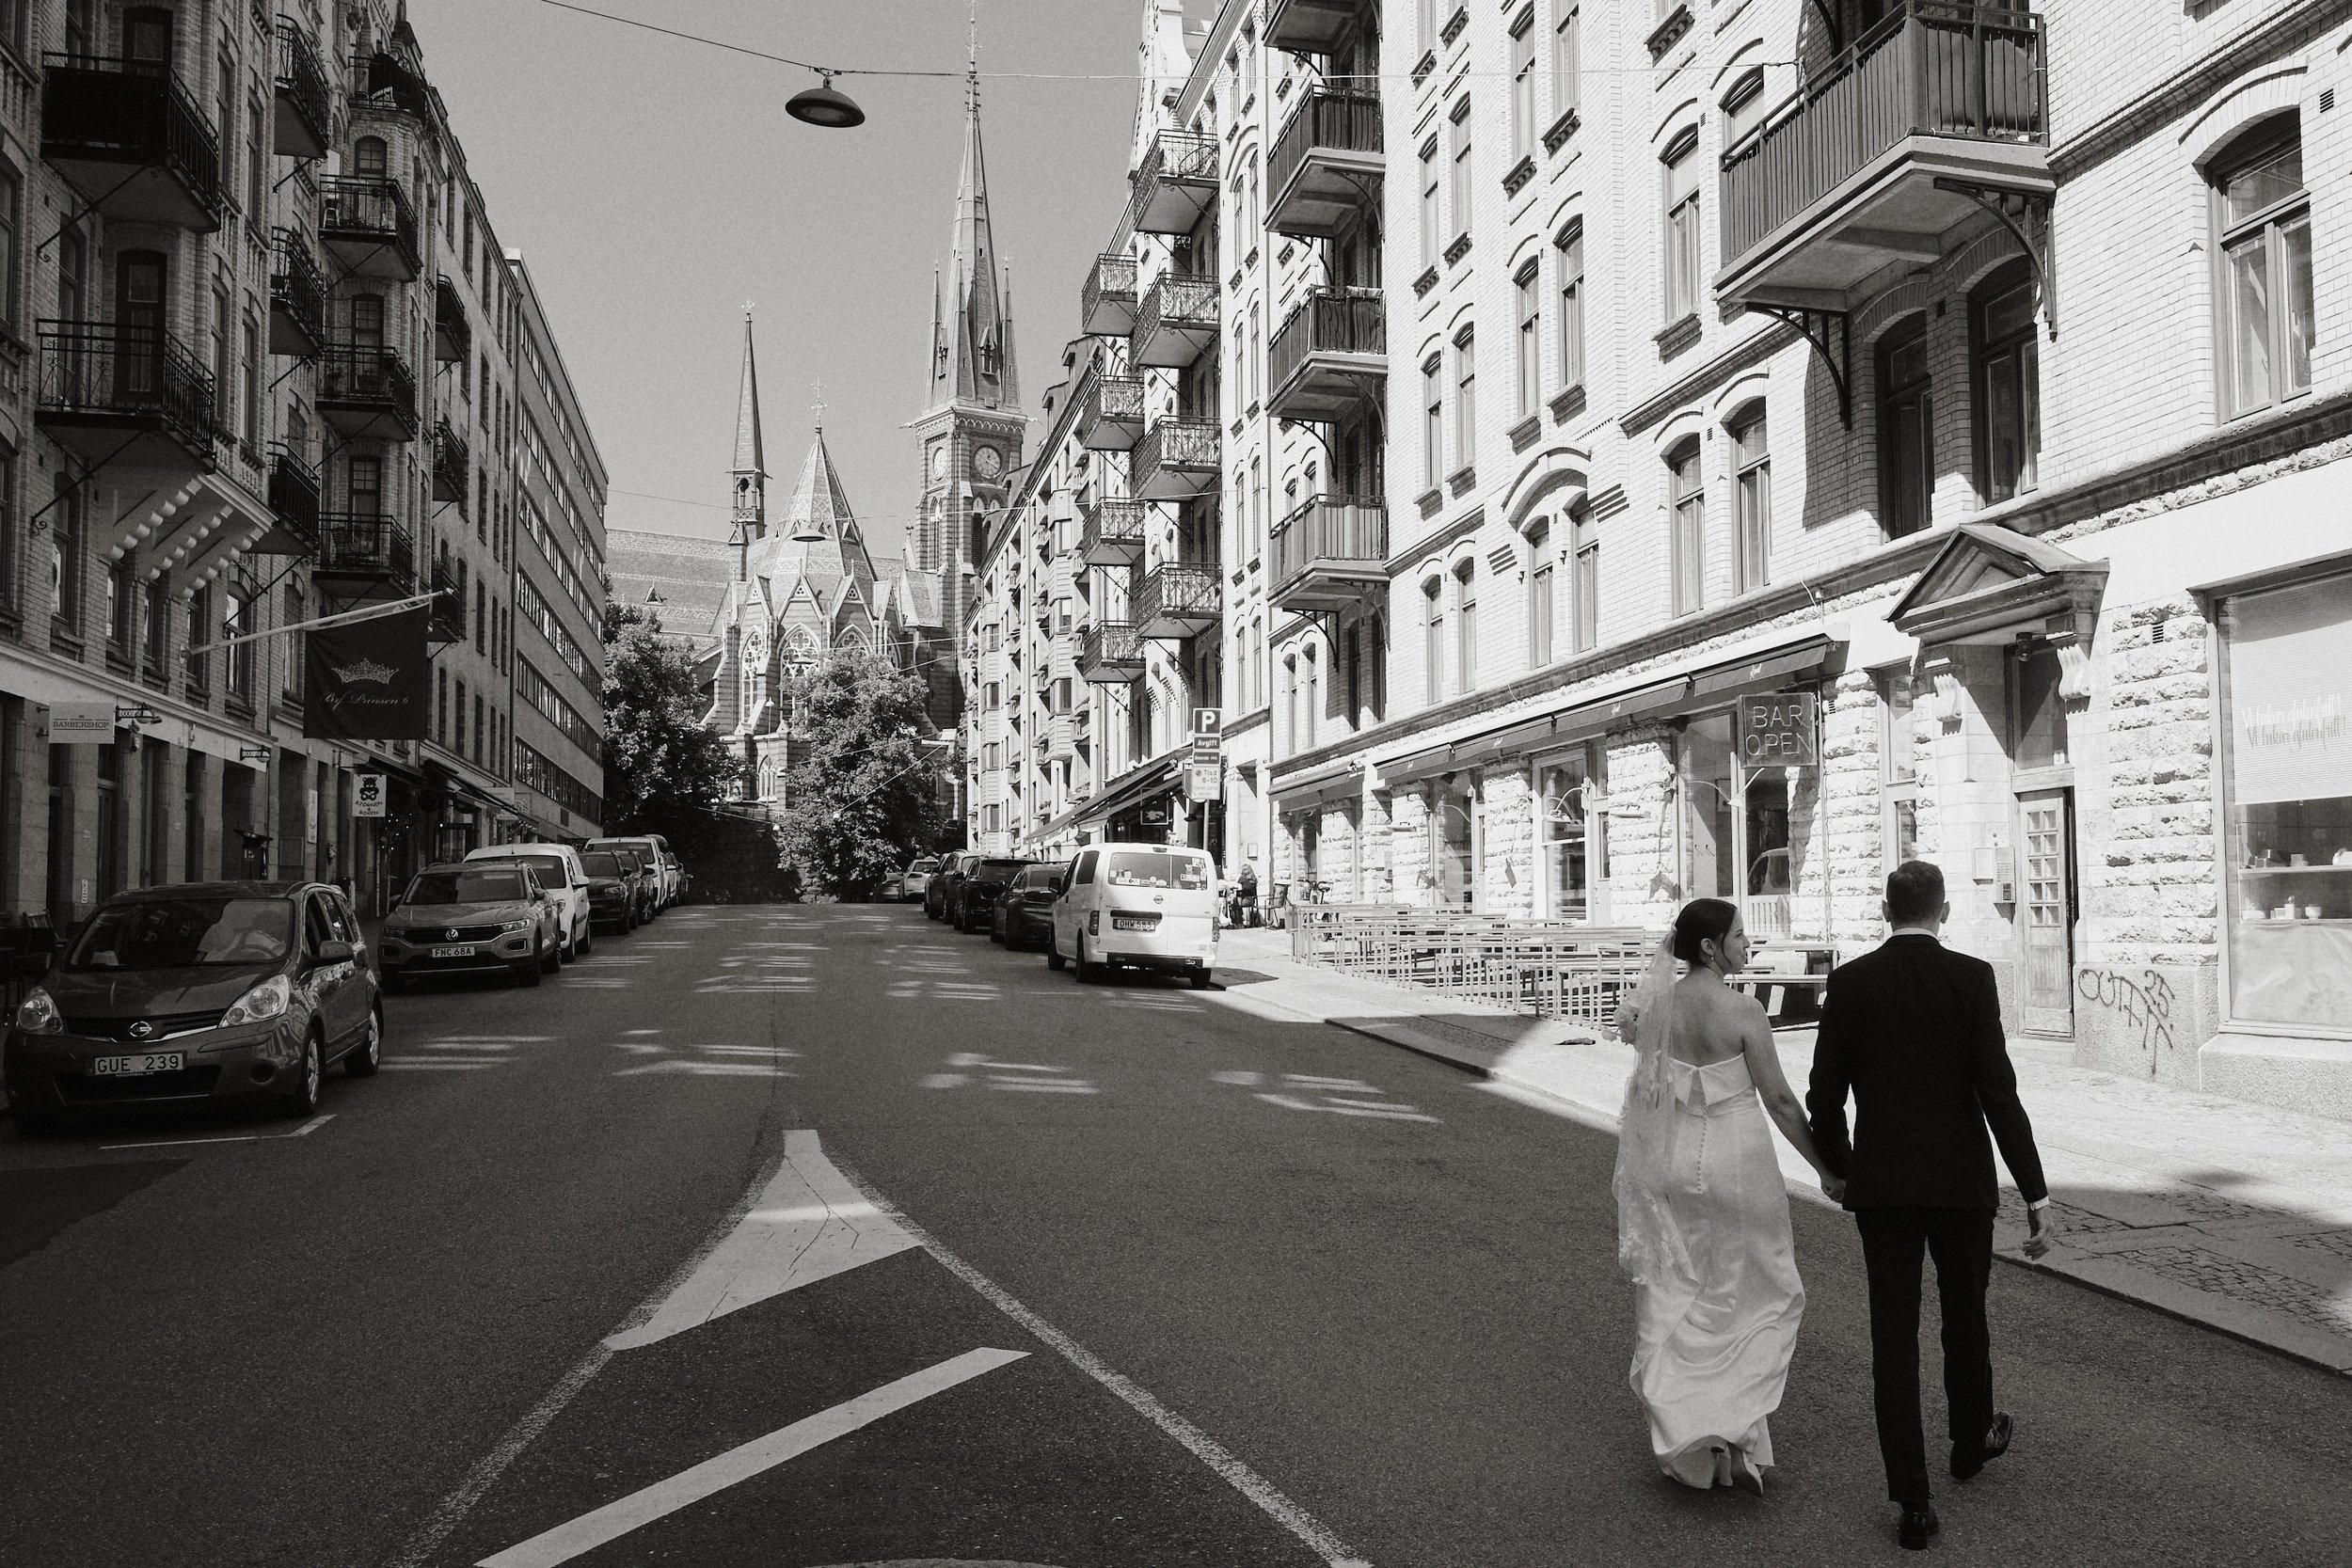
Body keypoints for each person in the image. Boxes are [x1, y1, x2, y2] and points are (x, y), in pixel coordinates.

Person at [1807, 861, 2056, 1551]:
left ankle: (1912, 1501)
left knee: (1894, 1338)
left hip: (1885, 1186)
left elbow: (1823, 1097)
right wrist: (2034, 1192)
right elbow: (1998, 1094)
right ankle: (1971, 1440)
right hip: (1960, 1185)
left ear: (1886, 910)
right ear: (1943, 911)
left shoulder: (1852, 981)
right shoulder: (1972, 978)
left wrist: (1844, 1169)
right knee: (1965, 1312)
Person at [1614, 897, 1844, 1495]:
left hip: (1671, 1159)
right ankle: (1734, 1427)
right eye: (1741, 936)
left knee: (1684, 1289)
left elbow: (1647, 1093)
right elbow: (1783, 1103)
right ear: (1712, 947)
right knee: (1757, 1290)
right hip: (1738, 1162)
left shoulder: (1655, 1008)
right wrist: (1827, 1168)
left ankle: (1695, 1434)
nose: (1750, 944)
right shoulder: (1744, 1011)